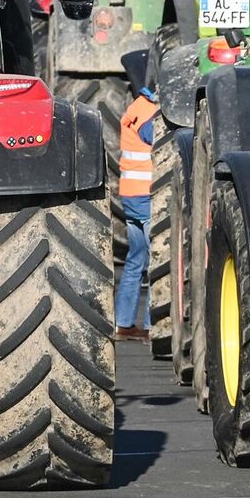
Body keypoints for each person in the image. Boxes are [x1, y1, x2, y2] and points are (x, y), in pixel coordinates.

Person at [114, 77, 158, 339]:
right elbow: (153, 137)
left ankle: (124, 323)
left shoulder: (137, 106)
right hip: (147, 195)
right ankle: (154, 326)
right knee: (157, 262)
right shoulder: (149, 113)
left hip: (131, 195)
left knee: (135, 260)